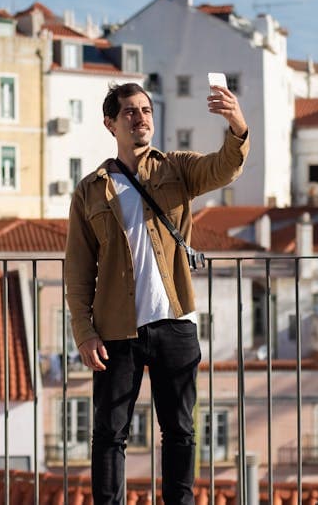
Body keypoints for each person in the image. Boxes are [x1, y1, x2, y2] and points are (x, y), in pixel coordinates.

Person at [64, 80, 248, 504]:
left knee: (180, 429)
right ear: (111, 123)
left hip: (175, 322)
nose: (140, 118)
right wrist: (84, 331)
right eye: (130, 111)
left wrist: (235, 123)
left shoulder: (176, 169)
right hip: (116, 330)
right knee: (109, 433)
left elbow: (224, 167)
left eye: (146, 110)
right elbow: (77, 267)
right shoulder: (91, 190)